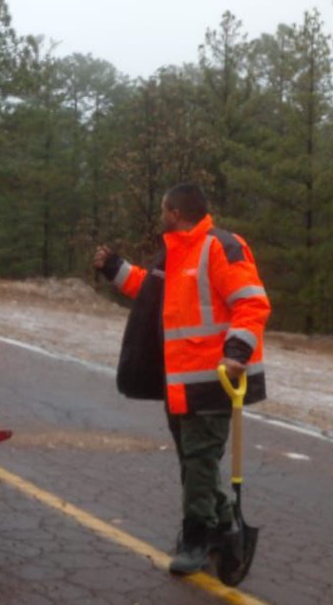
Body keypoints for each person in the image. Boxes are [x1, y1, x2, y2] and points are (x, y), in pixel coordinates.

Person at [93, 183, 271, 575]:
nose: (161, 215)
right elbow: (148, 289)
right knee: (193, 464)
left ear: (174, 212)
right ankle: (222, 523)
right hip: (179, 382)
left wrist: (237, 353)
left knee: (199, 461)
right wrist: (114, 268)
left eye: (163, 209)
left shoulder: (220, 247)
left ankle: (196, 537)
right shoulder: (176, 252)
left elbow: (252, 302)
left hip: (215, 380)